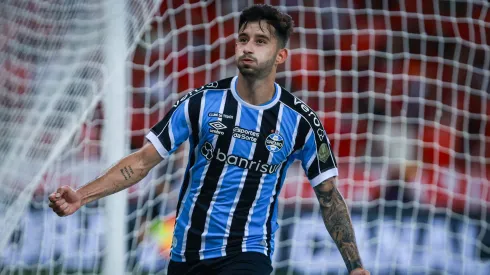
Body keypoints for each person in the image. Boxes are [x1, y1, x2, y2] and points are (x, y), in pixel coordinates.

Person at [49, 4, 370, 275]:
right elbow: (142, 161)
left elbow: (329, 197)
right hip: (186, 254)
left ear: (280, 55)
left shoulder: (301, 121)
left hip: (249, 252)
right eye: (243, 38)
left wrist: (354, 266)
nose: (247, 46)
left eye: (260, 41)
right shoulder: (201, 102)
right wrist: (82, 195)